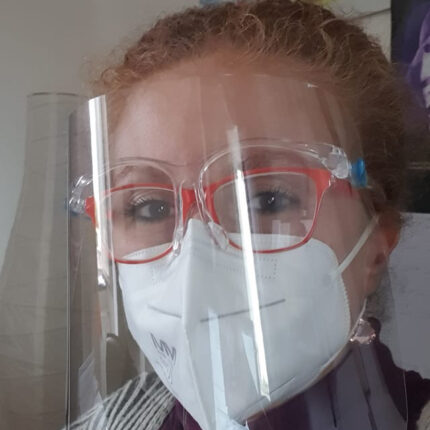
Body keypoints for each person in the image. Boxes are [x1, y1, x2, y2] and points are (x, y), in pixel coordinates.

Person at [67, 1, 430, 429]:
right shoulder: (112, 419)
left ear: (377, 245)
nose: (194, 267)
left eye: (266, 200)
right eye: (150, 207)